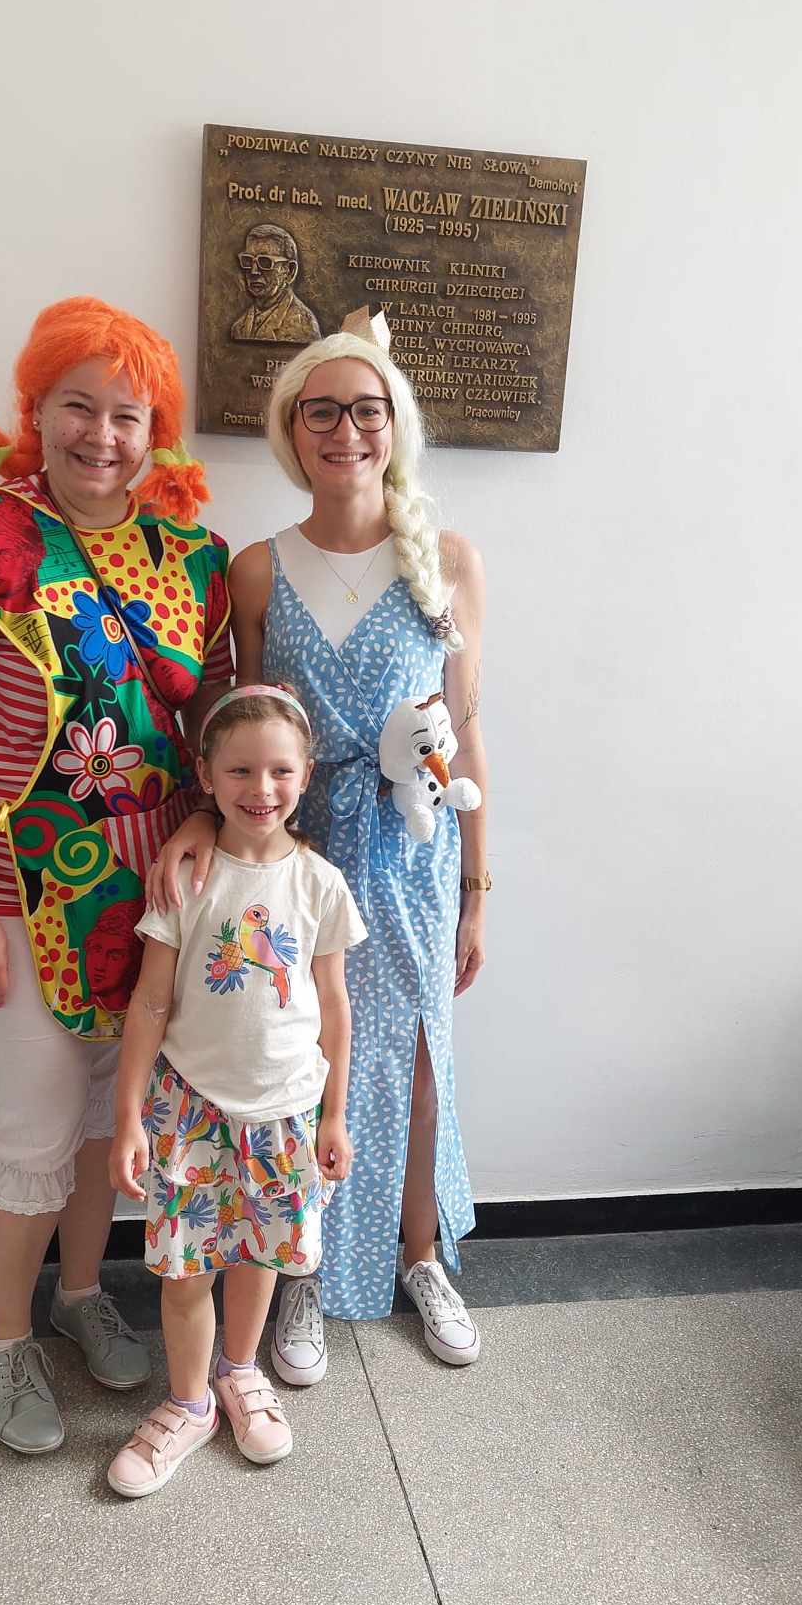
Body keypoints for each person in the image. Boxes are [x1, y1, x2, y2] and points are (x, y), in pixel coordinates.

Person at [0, 296, 233, 1455]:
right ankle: (5, 1340)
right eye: (77, 407)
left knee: (103, 1116)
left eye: (127, 416)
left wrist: (206, 827)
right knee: (33, 1124)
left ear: (154, 431)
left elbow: (213, 719)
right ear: (34, 411)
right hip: (18, 889)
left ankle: (82, 1297)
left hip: (152, 899)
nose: (102, 435)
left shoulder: (191, 552)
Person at [148, 309, 488, 1379]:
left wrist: (477, 886)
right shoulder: (255, 568)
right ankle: (300, 1270)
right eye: (322, 411)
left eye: (367, 409)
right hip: (293, 850)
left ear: (397, 425)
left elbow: (465, 731)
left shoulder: (449, 561)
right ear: (291, 429)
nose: (346, 431)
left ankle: (417, 1257)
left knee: (418, 1062)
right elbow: (239, 724)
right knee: (300, 1060)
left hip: (412, 849)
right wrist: (204, 815)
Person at [106, 686, 366, 1497]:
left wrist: (335, 1114)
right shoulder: (188, 878)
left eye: (280, 771)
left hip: (287, 1114)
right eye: (241, 770)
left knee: (260, 1255)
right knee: (186, 1271)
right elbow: (150, 1003)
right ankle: (188, 1404)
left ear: (305, 774)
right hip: (189, 1111)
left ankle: (239, 1372)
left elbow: (334, 1006)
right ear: (206, 777)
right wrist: (127, 1117)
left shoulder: (320, 883)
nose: (262, 788)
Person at [230, 223, 322, 344]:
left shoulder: (303, 326)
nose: (254, 271)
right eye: (248, 260)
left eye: (265, 262)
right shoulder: (239, 327)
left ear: (289, 271)